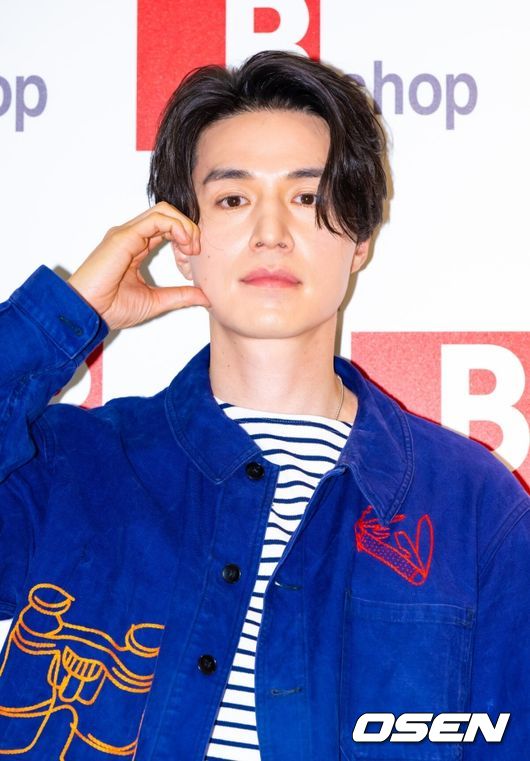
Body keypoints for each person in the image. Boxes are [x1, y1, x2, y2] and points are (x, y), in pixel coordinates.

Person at [0, 50, 528, 761]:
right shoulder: (70, 465)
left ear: (359, 237)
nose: (271, 232)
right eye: (233, 199)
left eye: (307, 198)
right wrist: (66, 314)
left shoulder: (474, 505)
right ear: (181, 241)